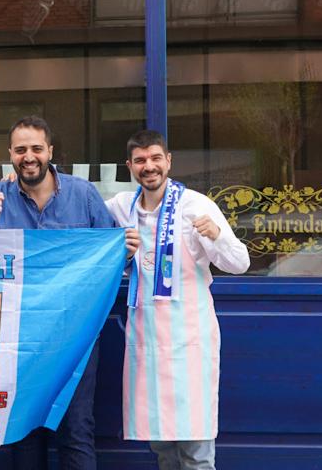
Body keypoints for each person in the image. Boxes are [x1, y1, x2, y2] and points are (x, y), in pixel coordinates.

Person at [0, 115, 137, 470]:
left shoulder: (83, 194)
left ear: (50, 151)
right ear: (10, 155)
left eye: (35, 148)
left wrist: (125, 249)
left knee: (77, 429)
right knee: (23, 431)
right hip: (18, 337)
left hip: (75, 335)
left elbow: (111, 255)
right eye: (20, 150)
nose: (28, 156)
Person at [104, 130, 249, 470]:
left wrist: (215, 236)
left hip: (190, 340)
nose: (149, 166)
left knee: (197, 451)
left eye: (155, 158)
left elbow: (239, 263)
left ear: (168, 161)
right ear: (129, 166)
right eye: (140, 160)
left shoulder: (196, 206)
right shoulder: (120, 207)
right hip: (148, 340)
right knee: (163, 447)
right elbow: (79, 208)